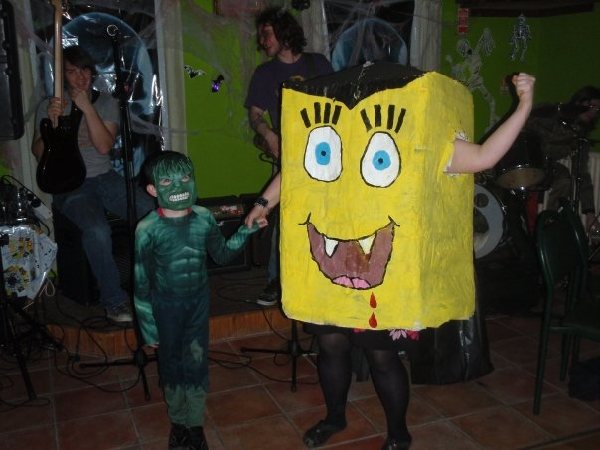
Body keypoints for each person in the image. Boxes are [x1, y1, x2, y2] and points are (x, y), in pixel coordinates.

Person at [245, 72, 536, 449]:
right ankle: (335, 417)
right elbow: (299, 171)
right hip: (330, 271)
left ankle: (398, 432)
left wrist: (524, 104)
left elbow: (484, 156)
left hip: (382, 281)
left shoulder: (418, 139)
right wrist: (262, 204)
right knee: (331, 345)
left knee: (381, 355)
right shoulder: (339, 131)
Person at [133, 151, 257, 450]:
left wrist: (245, 231)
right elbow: (140, 283)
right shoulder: (146, 230)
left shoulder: (203, 218)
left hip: (198, 305)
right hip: (166, 308)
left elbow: (223, 254)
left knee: (197, 364)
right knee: (172, 366)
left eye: (185, 178)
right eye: (167, 181)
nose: (178, 186)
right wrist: (149, 330)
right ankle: (179, 424)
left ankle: (196, 425)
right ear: (153, 189)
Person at [31, 45, 155, 322]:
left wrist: (87, 108)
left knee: (153, 212)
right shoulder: (49, 105)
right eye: (72, 72)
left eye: (85, 70)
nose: (80, 77)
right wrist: (51, 123)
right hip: (71, 184)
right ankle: (114, 301)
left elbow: (103, 146)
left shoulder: (106, 102)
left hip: (105, 177)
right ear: (63, 75)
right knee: (97, 231)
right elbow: (38, 153)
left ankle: (159, 285)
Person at [244, 6, 333, 306]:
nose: (262, 41)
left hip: (327, 152)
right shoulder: (265, 73)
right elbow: (255, 115)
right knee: (284, 218)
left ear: (284, 33)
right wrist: (269, 134)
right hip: (291, 157)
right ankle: (275, 280)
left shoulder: (318, 63)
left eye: (266, 33)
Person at [525, 86, 600, 229]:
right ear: (579, 102)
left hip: (547, 166)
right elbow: (526, 123)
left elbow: (581, 173)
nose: (593, 111)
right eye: (591, 105)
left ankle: (549, 224)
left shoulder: (580, 136)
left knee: (564, 178)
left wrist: (590, 213)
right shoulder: (553, 113)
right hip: (526, 162)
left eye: (598, 109)